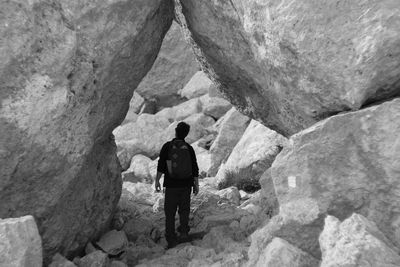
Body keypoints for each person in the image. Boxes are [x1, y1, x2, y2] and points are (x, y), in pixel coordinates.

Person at [155, 122, 199, 248]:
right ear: (186, 134)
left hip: (171, 185)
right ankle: (184, 234)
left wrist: (157, 180)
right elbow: (195, 167)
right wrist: (196, 184)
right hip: (186, 185)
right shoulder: (189, 148)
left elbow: (161, 165)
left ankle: (171, 238)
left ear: (175, 131)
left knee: (170, 212)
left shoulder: (167, 147)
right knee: (184, 211)